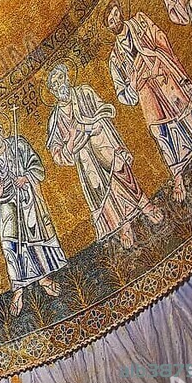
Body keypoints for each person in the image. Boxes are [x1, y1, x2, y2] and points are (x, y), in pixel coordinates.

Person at [105, 1, 192, 202]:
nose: (115, 21)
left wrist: (156, 57)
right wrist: (133, 84)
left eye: (115, 14)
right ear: (108, 27)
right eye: (110, 21)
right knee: (160, 130)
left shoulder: (139, 21)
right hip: (146, 91)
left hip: (162, 74)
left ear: (120, 11)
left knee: (180, 110)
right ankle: (177, 174)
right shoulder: (115, 58)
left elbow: (161, 38)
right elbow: (122, 94)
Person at [46, 63, 163, 249]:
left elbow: (106, 109)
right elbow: (57, 154)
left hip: (102, 142)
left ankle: (145, 205)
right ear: (52, 90)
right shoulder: (55, 119)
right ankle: (123, 224)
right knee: (102, 190)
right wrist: (70, 142)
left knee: (123, 173)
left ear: (67, 78)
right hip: (85, 159)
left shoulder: (84, 92)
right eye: (54, 83)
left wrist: (93, 123)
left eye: (61, 78)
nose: (59, 84)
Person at [0, 119, 68, 316]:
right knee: (10, 246)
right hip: (6, 208)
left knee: (34, 240)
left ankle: (44, 278)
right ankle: (18, 289)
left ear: (2, 131)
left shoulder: (18, 144)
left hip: (27, 198)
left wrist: (25, 177)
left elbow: (37, 166)